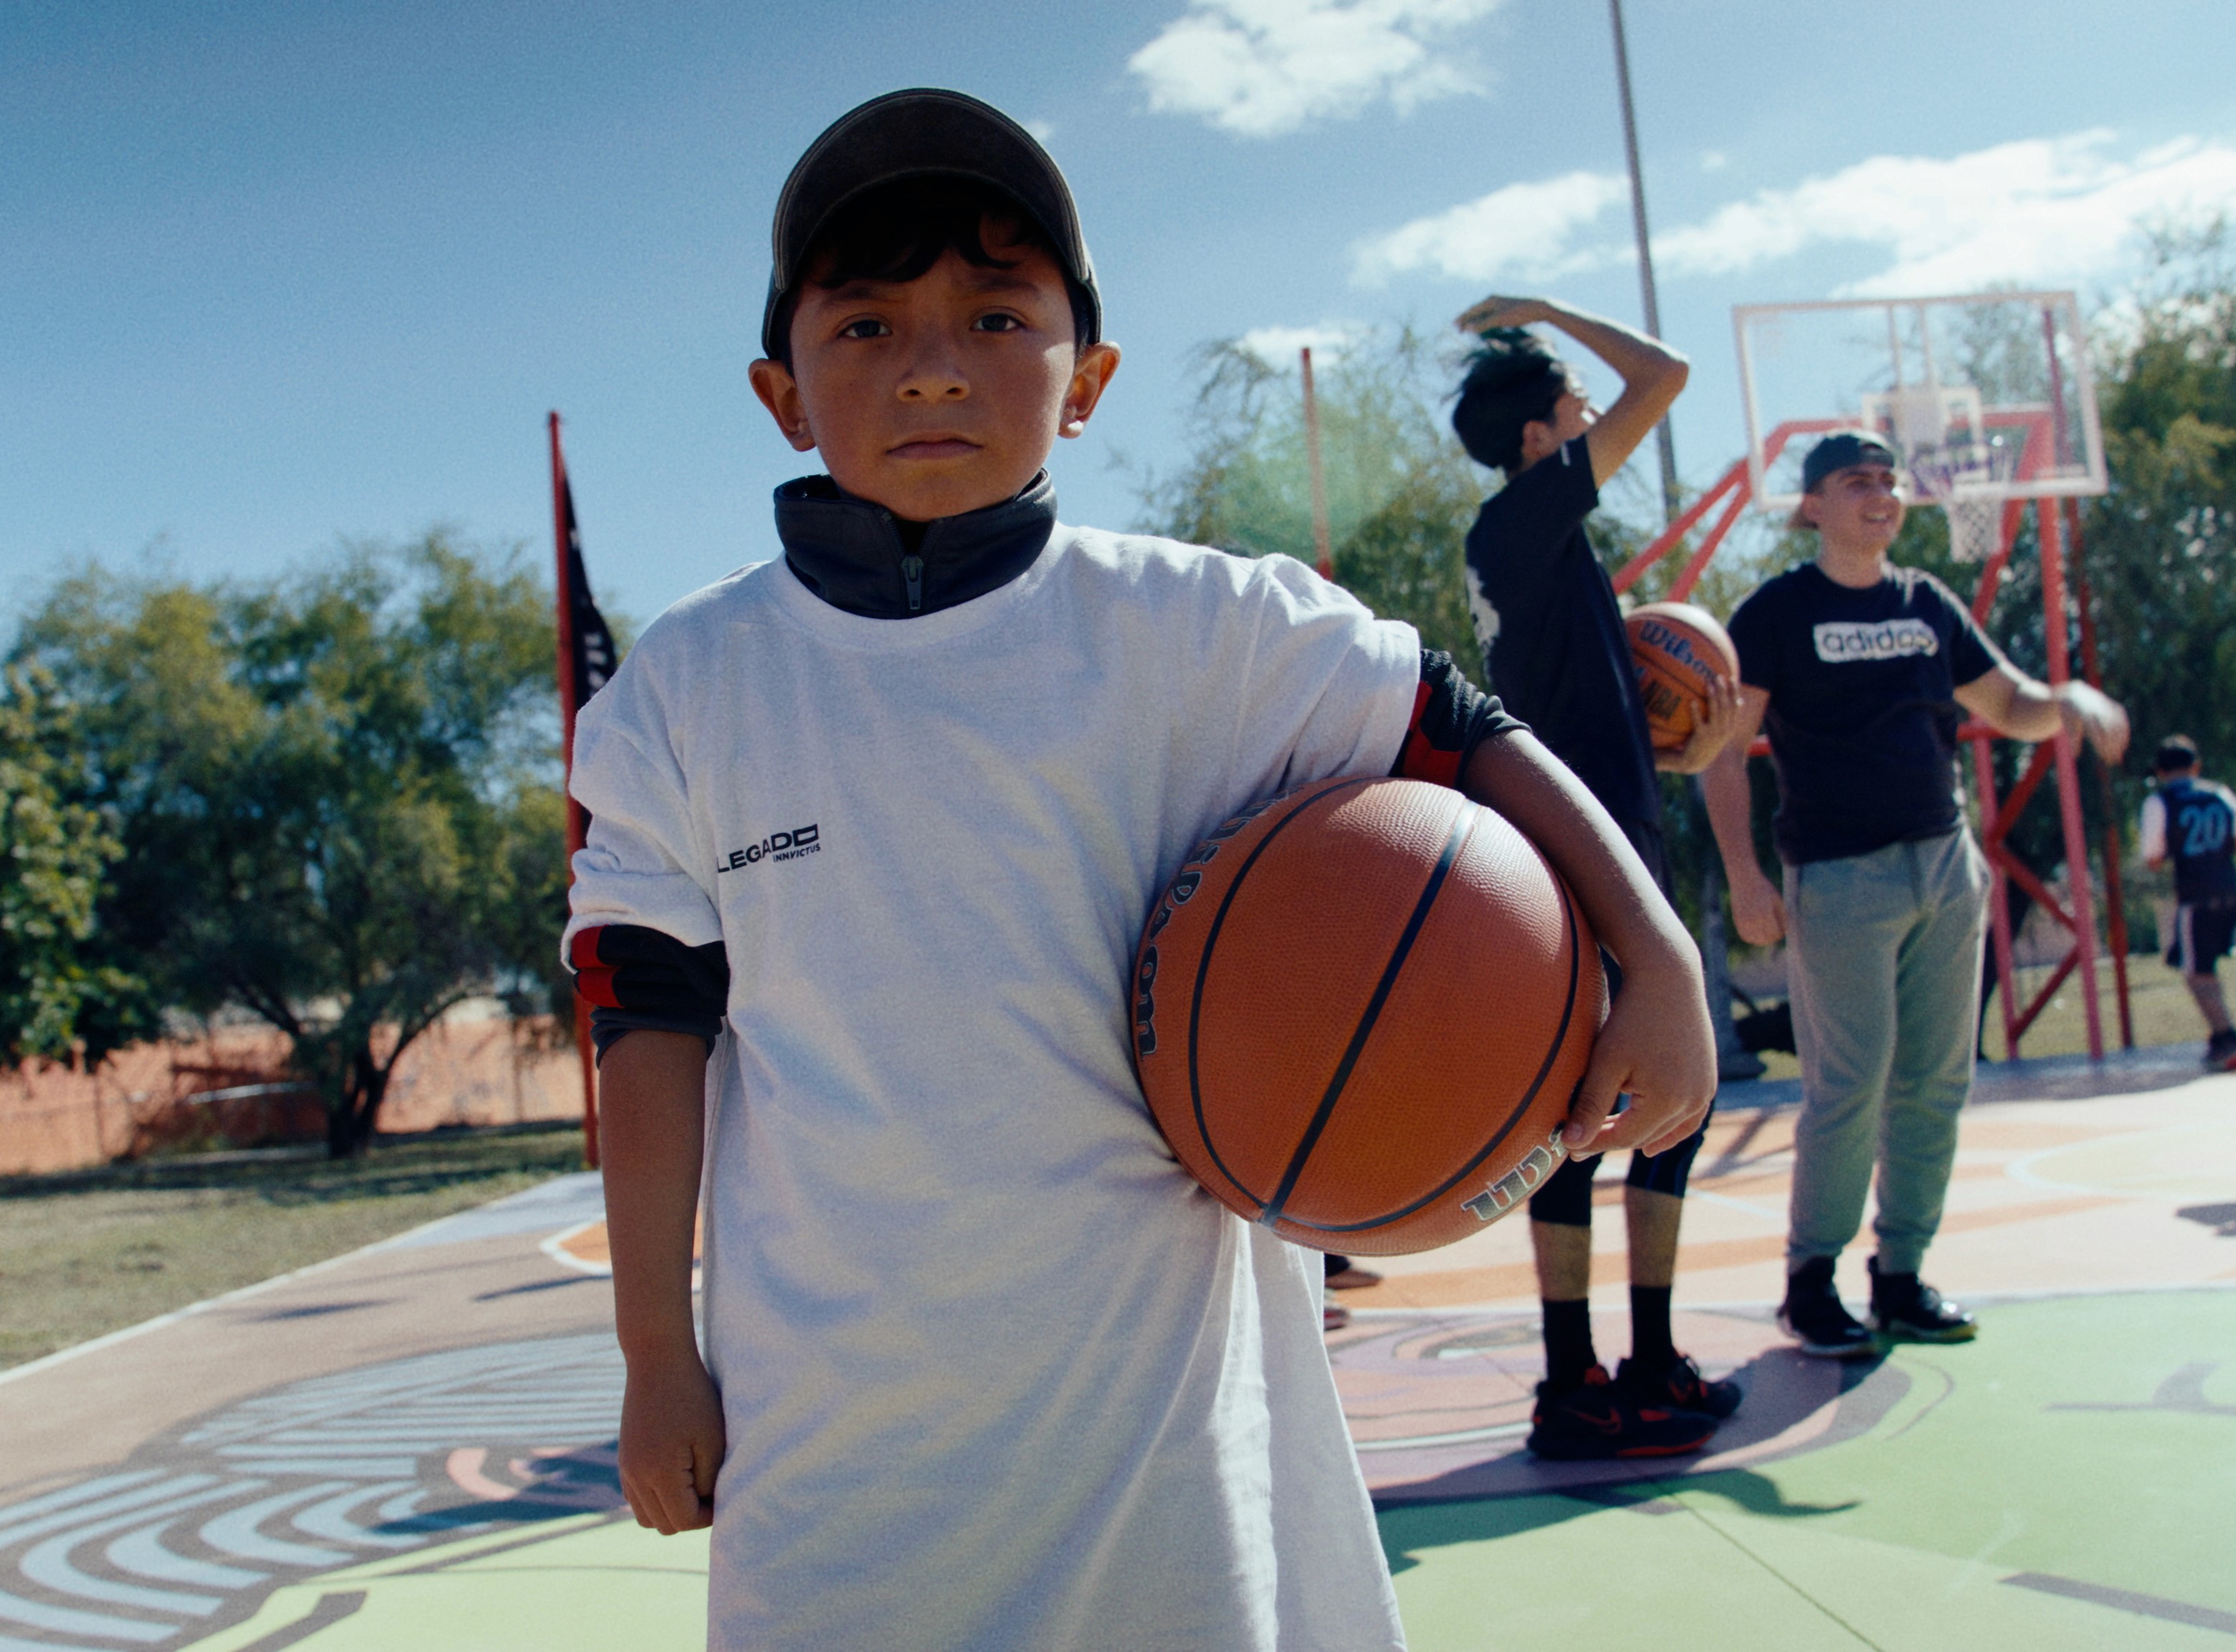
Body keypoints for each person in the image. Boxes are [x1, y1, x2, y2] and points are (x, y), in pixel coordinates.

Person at [564, 88, 1716, 1650]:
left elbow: (1462, 729)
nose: (929, 363)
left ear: (1086, 378)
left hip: (1167, 1434)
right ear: (782, 394)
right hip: (837, 1441)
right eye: (864, 327)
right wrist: (653, 1355)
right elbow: (646, 1034)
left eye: (992, 314)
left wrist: (1656, 961)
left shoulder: (1210, 633)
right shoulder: (686, 692)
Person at [1704, 432, 2128, 1358]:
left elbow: (2009, 705)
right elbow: (1723, 751)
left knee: (1938, 1081)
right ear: (1812, 506)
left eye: (1889, 480)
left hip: (1944, 864)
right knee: (1849, 1086)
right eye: (1857, 480)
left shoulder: (1927, 603)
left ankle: (1900, 1277)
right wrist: (1745, 874)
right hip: (1838, 877)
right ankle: (1810, 1283)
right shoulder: (1777, 611)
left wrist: (2070, 698)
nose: (1881, 493)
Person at [1447, 301, 1747, 1457]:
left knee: (1615, 1110)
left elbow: (1587, 711)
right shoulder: (1523, 518)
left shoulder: (1539, 552)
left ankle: (1599, 1372)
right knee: (1645, 1106)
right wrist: (1540, 315)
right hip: (1590, 861)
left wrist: (1691, 749)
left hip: (1605, 842)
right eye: (1571, 404)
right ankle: (1612, 1370)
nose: (1589, 413)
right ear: (1539, 438)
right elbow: (1664, 374)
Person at [2138, 735, 2236, 1072]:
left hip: (2195, 895)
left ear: (2161, 772)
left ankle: (2229, 1039)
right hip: (2230, 890)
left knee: (2196, 972)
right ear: (2197, 766)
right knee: (2205, 967)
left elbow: (2153, 857)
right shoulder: (2221, 794)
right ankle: (2218, 1039)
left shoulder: (2159, 804)